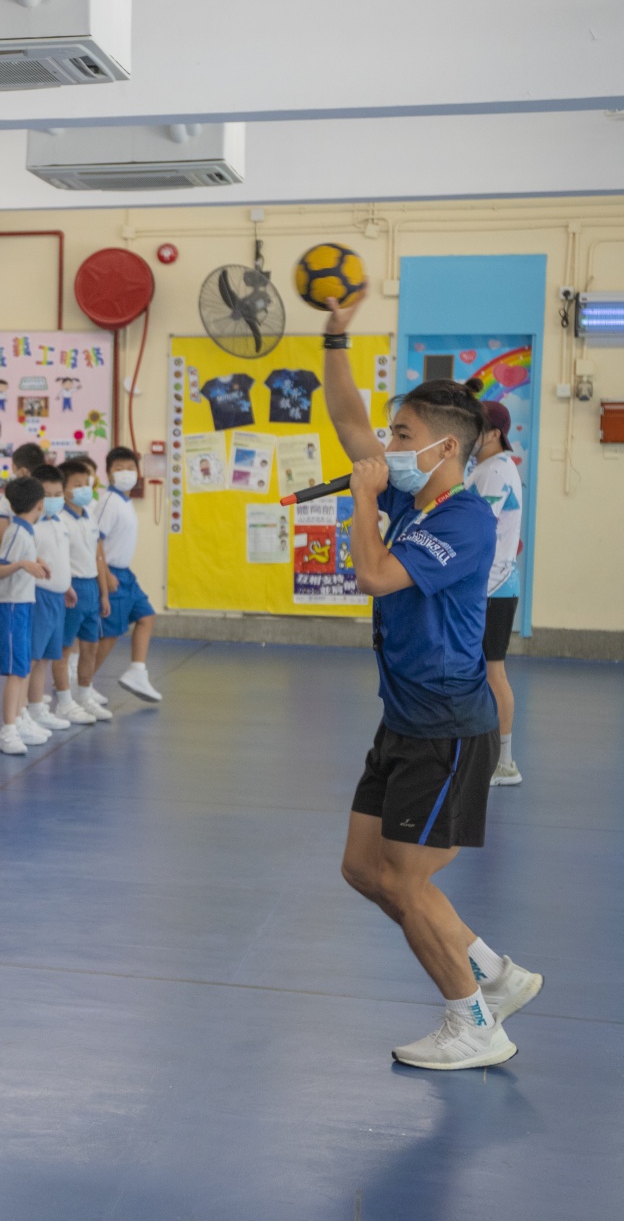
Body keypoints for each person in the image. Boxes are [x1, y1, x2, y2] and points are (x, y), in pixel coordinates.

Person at [320, 294, 541, 1070]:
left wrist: (362, 500)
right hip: (404, 718)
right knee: (362, 869)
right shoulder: (416, 499)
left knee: (407, 884)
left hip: (446, 725)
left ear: (446, 448)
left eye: (404, 436)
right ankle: (495, 974)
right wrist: (335, 338)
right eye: (392, 434)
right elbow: (348, 420)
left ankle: (474, 1023)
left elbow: (376, 575)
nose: (388, 446)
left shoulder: (464, 518)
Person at [467, 400, 524, 786]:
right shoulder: (484, 468)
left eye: (475, 427)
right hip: (484, 586)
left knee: (493, 672)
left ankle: (505, 763)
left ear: (493, 434)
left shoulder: (496, 471)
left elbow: (476, 528)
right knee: (481, 672)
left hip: (495, 588)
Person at [90, 447, 162, 702]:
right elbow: (95, 540)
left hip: (125, 574)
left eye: (130, 468)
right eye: (119, 469)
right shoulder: (109, 502)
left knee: (146, 616)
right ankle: (82, 684)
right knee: (109, 635)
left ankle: (137, 672)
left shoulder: (125, 501)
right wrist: (105, 574)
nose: (126, 473)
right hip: (110, 573)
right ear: (109, 474)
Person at [0, 476, 49, 756]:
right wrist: (24, 564)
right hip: (11, 606)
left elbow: (20, 560)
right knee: (16, 670)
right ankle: (8, 730)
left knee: (23, 667)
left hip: (24, 604)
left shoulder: (27, 531)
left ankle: (19, 718)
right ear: (40, 504)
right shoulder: (15, 532)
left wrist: (35, 562)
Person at [25, 467, 79, 735]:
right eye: (47, 495)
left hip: (58, 597)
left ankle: (37, 709)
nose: (54, 499)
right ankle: (21, 713)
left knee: (45, 657)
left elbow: (60, 558)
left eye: (58, 494)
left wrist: (66, 585)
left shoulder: (60, 522)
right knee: (33, 658)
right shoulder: (32, 526)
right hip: (39, 597)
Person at [53, 460, 106, 725]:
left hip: (91, 587)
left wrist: (103, 593)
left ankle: (84, 695)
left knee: (90, 647)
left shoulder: (90, 516)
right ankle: (64, 703)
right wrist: (66, 586)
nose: (85, 489)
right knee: (63, 649)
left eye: (87, 483)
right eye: (77, 485)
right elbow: (56, 559)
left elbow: (98, 557)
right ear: (64, 490)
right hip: (71, 588)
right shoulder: (59, 520)